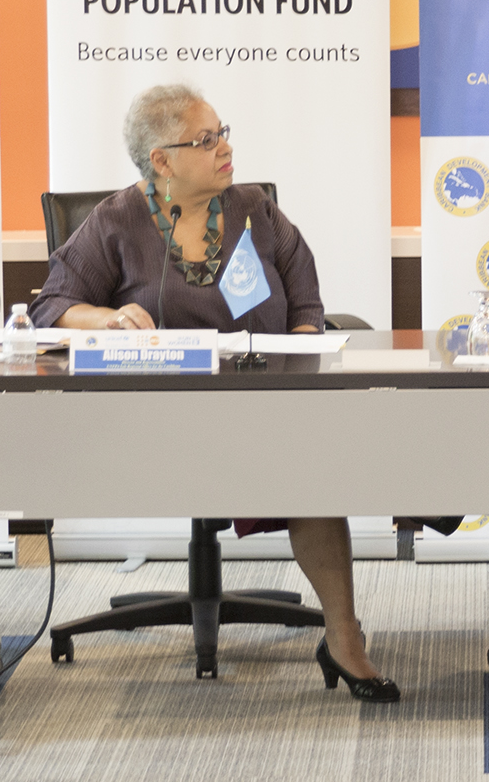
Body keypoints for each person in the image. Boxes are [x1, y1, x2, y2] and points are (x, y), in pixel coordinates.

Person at [32, 83, 398, 701]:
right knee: (304, 461)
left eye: (223, 132)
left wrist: (301, 353)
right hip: (161, 416)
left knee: (316, 465)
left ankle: (343, 637)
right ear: (163, 161)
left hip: (267, 404)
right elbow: (50, 308)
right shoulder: (117, 220)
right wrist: (110, 318)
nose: (225, 147)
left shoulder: (256, 209)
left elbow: (307, 305)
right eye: (206, 140)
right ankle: (342, 633)